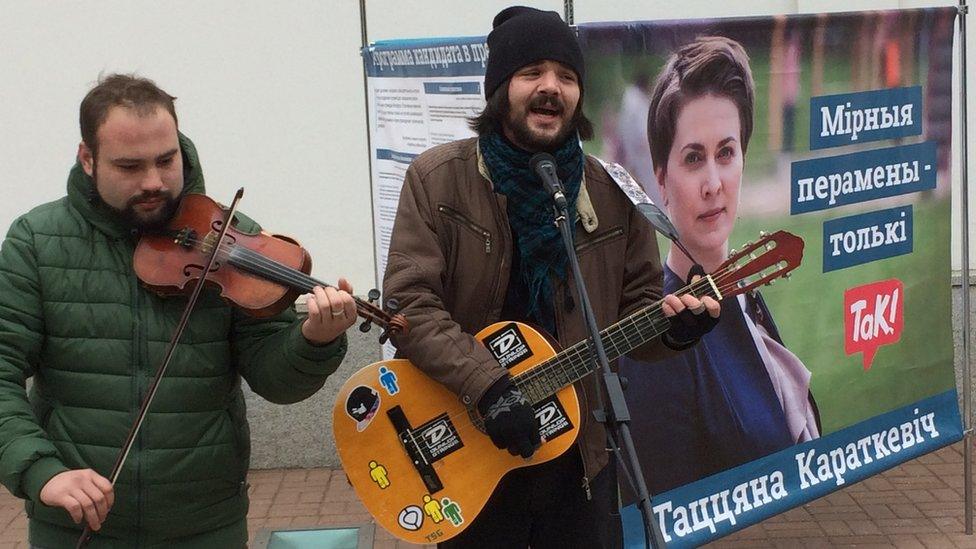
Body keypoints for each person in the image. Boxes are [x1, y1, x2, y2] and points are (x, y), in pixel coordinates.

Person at [382, 7, 720, 548]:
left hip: (578, 462)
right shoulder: (437, 180)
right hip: (470, 454)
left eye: (566, 76)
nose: (551, 88)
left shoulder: (612, 192)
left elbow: (634, 313)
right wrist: (488, 386)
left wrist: (677, 331)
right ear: (499, 89)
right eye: (531, 73)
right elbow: (409, 306)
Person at [0, 74, 356, 548]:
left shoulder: (231, 239)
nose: (153, 182)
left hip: (204, 524)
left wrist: (313, 341)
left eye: (166, 161)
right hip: (77, 523)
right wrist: (42, 472)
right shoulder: (36, 242)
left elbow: (275, 381)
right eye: (129, 166)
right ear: (87, 159)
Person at [619, 36, 821, 498]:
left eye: (726, 153)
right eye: (693, 158)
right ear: (662, 179)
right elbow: (664, 516)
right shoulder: (657, 333)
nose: (714, 183)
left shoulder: (746, 294)